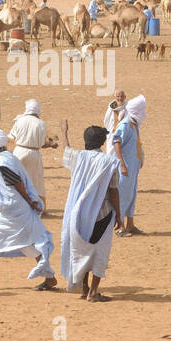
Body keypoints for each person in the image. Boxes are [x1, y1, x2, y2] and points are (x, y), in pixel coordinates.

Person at [0, 129, 55, 291]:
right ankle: (50, 278)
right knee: (28, 244)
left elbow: (17, 182)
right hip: (16, 209)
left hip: (13, 211)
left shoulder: (2, 162)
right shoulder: (7, 157)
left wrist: (29, 201)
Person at [58, 121, 122, 302]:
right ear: (102, 143)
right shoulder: (110, 162)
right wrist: (118, 214)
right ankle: (93, 292)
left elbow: (66, 150)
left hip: (78, 214)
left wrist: (64, 132)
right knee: (100, 250)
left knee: (82, 247)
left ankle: (84, 288)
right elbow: (114, 191)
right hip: (103, 214)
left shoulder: (78, 158)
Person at [109, 94, 145, 236]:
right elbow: (116, 141)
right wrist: (122, 164)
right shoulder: (125, 124)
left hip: (132, 167)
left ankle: (130, 224)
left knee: (132, 194)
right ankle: (120, 226)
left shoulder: (134, 124)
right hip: (125, 168)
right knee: (122, 195)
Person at [7, 99, 49, 208]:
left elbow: (11, 137)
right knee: (35, 180)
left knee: (16, 178)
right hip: (34, 153)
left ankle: (14, 204)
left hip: (19, 151)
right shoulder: (41, 124)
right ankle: (37, 205)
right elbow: (42, 143)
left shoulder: (20, 120)